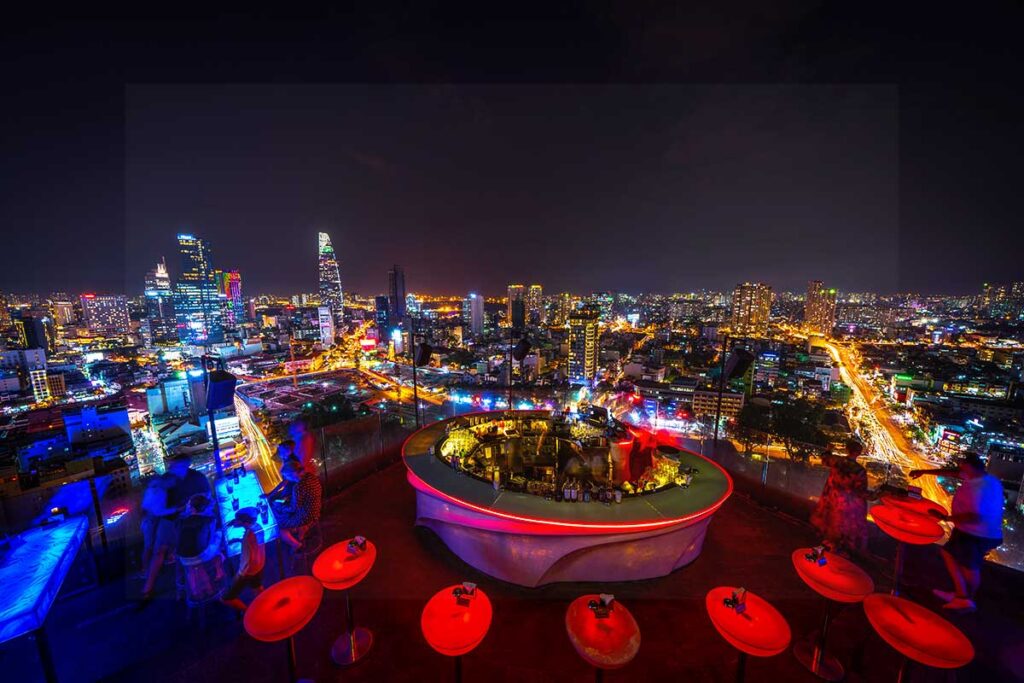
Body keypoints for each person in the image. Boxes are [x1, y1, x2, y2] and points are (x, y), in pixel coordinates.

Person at [910, 452, 1005, 612]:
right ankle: (963, 596)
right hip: (976, 532)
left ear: (970, 467)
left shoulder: (979, 488)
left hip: (975, 533)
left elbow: (974, 516)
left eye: (963, 467)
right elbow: (952, 473)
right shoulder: (984, 478)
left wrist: (946, 518)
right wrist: (924, 471)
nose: (961, 471)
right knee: (959, 560)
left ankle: (964, 599)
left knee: (967, 565)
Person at [811, 439, 872, 556]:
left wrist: (828, 449)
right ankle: (834, 561)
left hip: (831, 501)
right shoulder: (859, 471)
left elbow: (825, 459)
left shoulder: (837, 461)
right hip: (845, 507)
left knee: (830, 534)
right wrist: (879, 494)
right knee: (841, 536)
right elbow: (861, 492)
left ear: (847, 449)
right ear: (859, 453)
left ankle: (821, 559)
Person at [271, 460, 323, 553]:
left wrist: (279, 506)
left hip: (306, 516)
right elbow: (305, 496)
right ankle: (301, 532)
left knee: (280, 528)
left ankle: (297, 545)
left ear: (292, 474)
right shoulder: (310, 476)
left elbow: (292, 509)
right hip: (316, 509)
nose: (286, 479)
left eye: (286, 476)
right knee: (283, 509)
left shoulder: (298, 487)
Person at [221, 508, 266, 612]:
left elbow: (248, 556)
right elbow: (254, 547)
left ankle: (248, 612)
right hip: (259, 565)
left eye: (237, 519)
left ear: (244, 521)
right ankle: (264, 608)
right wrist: (239, 540)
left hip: (247, 571)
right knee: (257, 588)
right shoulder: (258, 527)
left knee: (226, 598)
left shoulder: (248, 537)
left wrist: (241, 573)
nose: (235, 521)